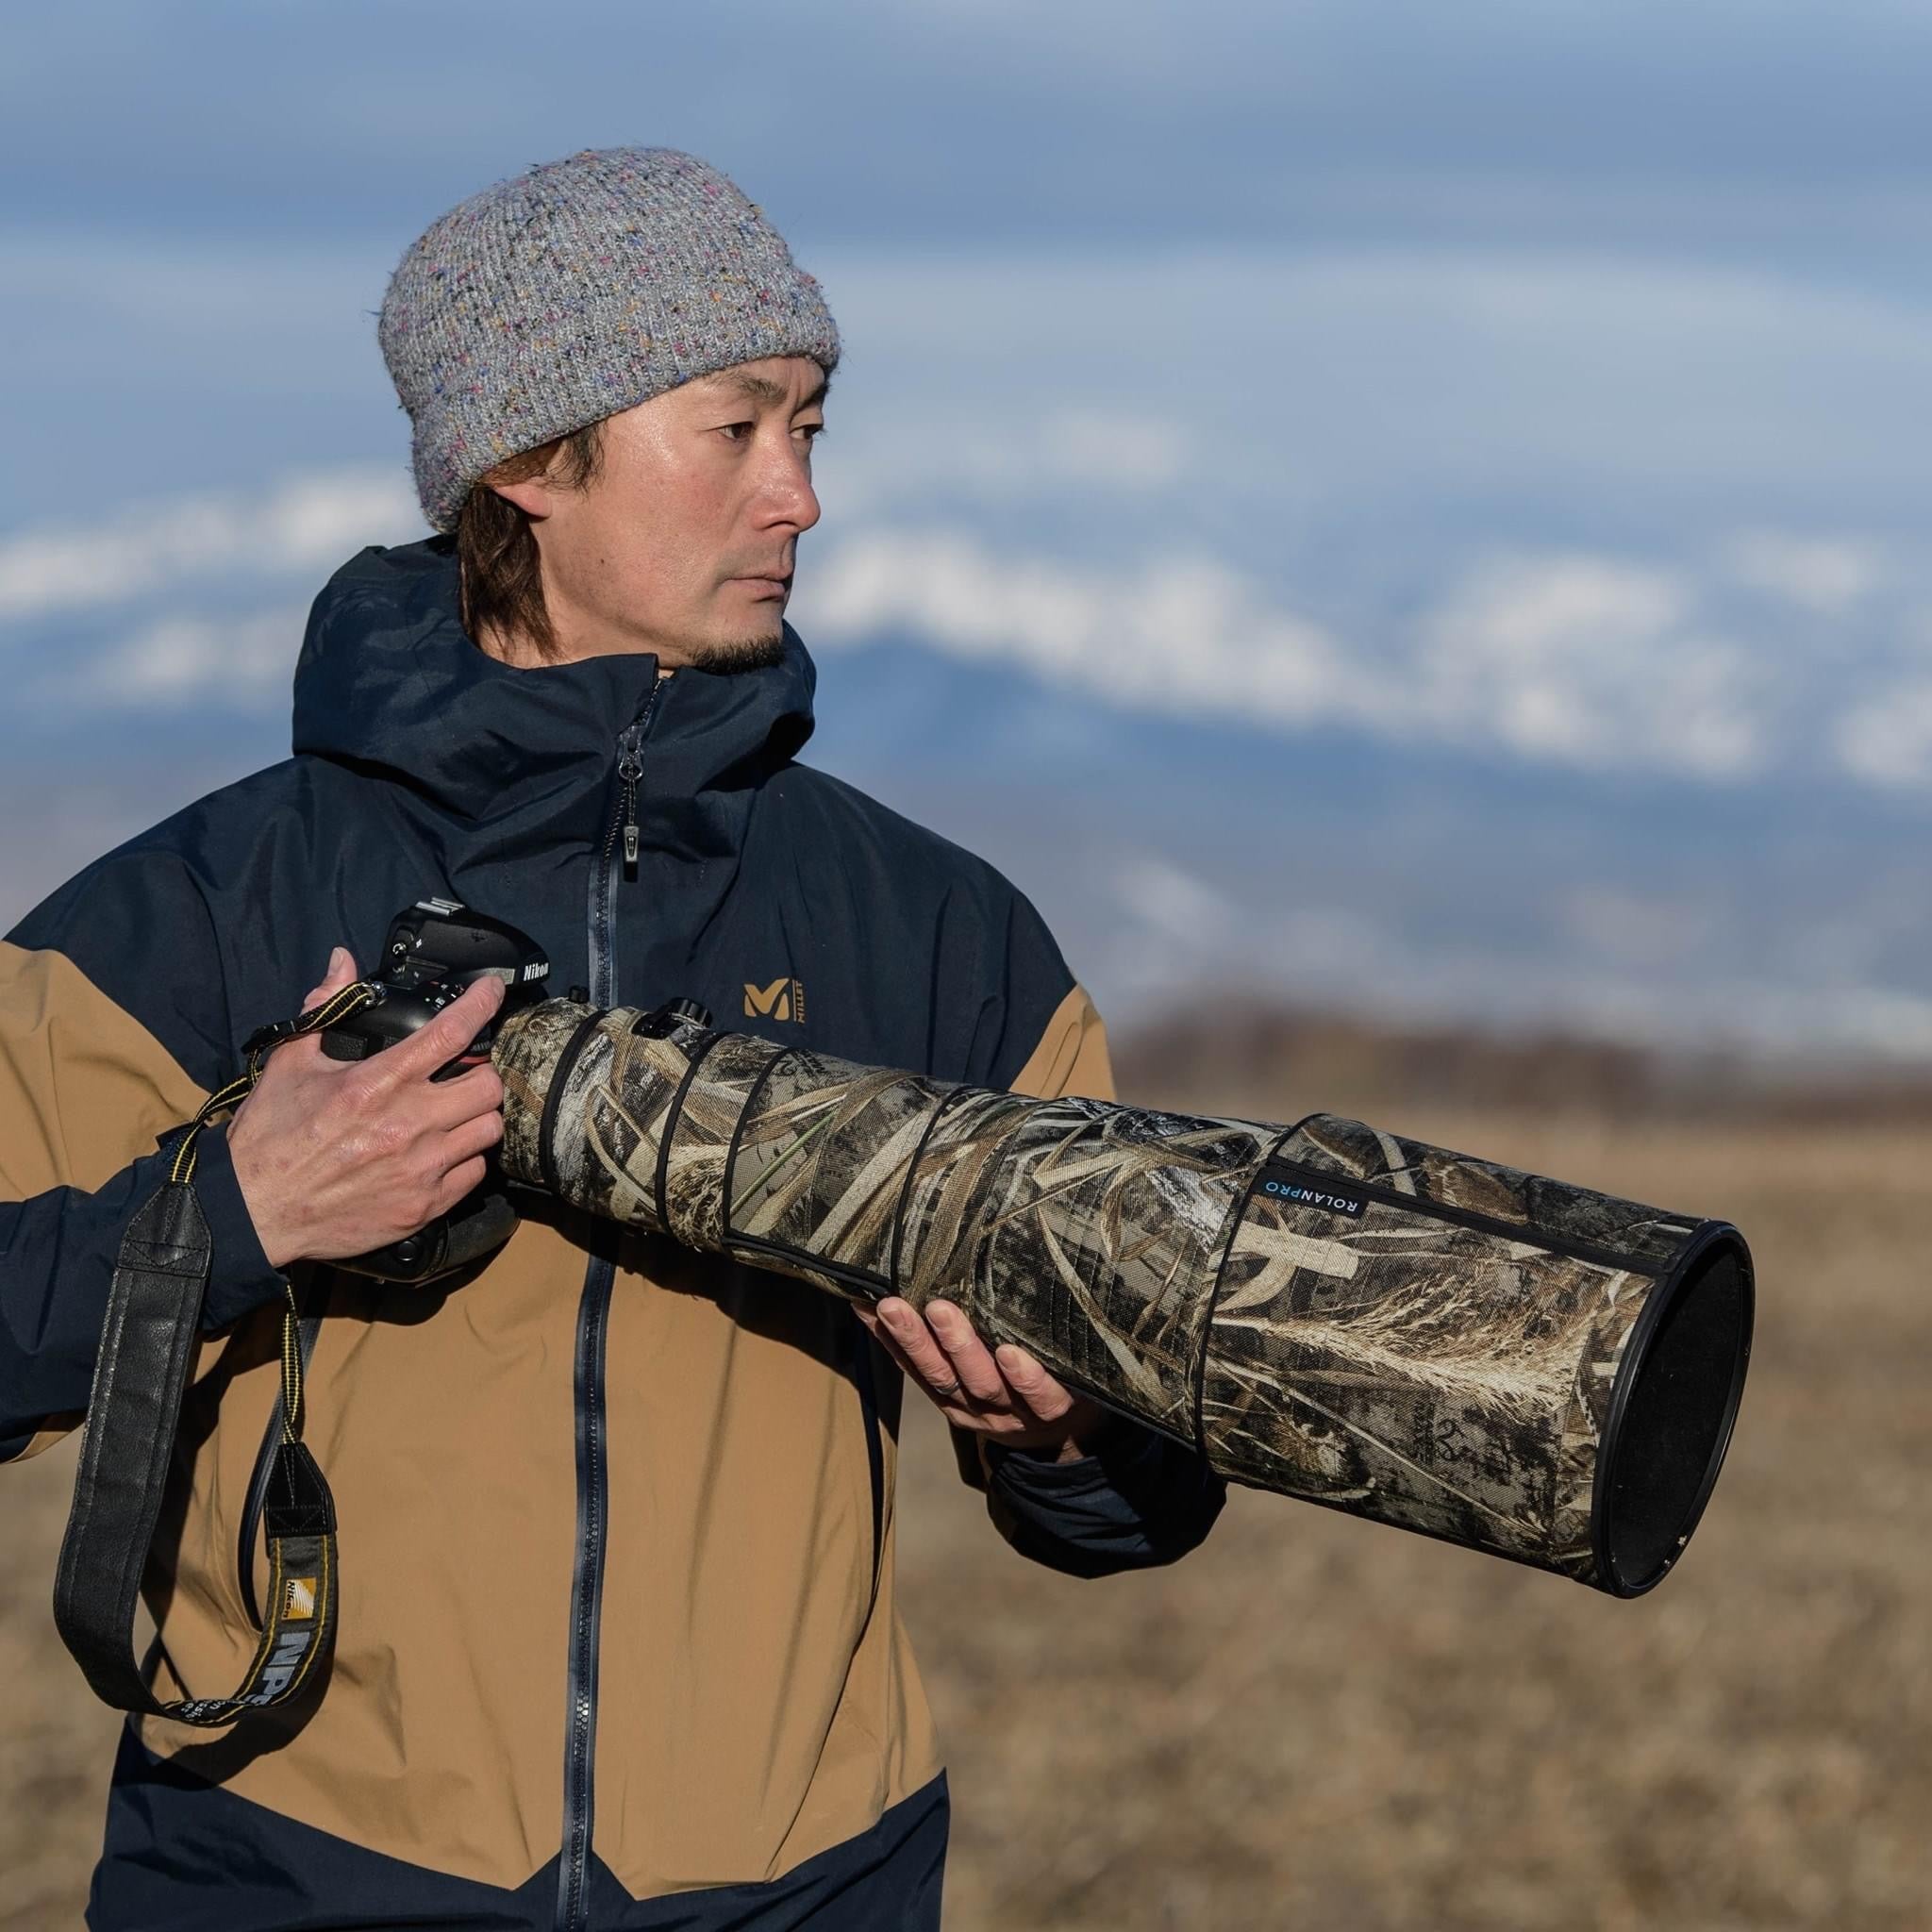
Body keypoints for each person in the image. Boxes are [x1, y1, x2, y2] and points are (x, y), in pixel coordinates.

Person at [0, 148, 1224, 1930]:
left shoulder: (934, 931)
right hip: (288, 1868)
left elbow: (1141, 1502)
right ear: (524, 459)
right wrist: (232, 1216)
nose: (800, 496)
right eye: (736, 430)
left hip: (807, 1886)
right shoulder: (199, 910)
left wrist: (1064, 1432)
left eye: (811, 428)